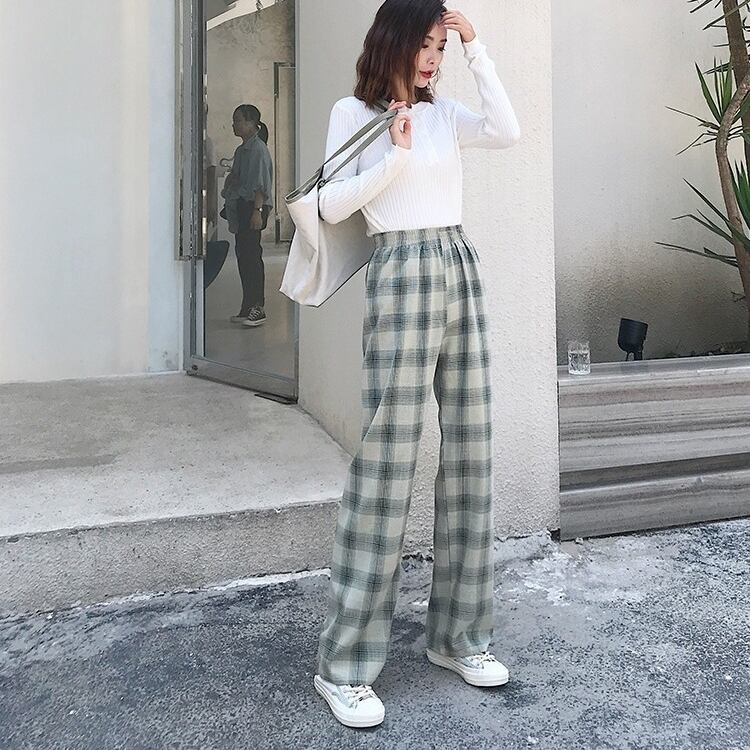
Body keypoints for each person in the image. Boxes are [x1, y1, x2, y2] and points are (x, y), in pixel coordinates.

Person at [312, 0, 521, 730]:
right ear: (393, 42)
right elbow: (331, 205)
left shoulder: (445, 114)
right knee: (387, 461)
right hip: (400, 270)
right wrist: (394, 157)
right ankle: (344, 667)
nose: (433, 58)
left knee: (470, 453)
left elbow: (507, 130)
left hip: (457, 262)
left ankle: (458, 637)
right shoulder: (353, 113)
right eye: (425, 45)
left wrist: (477, 45)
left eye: (441, 47)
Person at [221, 104, 273, 327]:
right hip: (243, 206)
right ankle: (247, 305)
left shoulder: (258, 150)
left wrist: (257, 212)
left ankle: (257, 307)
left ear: (252, 124)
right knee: (243, 256)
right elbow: (237, 177)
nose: (234, 125)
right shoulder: (241, 150)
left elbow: (261, 185)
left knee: (252, 257)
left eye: (238, 120)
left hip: (254, 207)